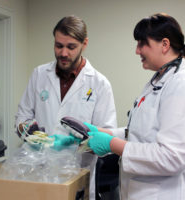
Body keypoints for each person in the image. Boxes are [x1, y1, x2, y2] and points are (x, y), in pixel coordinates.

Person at [81, 13, 185, 200]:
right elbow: (142, 133)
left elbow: (172, 156)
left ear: (164, 44)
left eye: (142, 43)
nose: (137, 51)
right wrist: (104, 132)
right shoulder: (160, 80)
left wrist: (111, 144)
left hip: (176, 191)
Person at [15, 15, 117, 200]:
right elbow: (22, 118)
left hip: (77, 174)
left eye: (71, 47)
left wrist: (76, 142)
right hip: (38, 173)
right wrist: (28, 131)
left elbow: (107, 137)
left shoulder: (99, 83)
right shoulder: (39, 74)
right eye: (58, 45)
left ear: (84, 44)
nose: (63, 53)